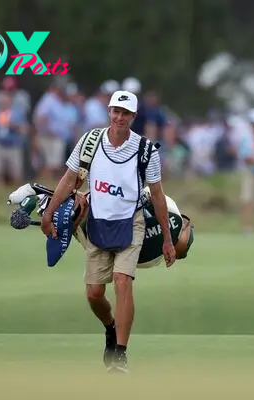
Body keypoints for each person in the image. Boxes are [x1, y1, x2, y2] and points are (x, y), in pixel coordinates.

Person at [40, 90, 176, 373]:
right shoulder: (90, 141)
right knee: (94, 293)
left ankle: (121, 354)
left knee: (123, 280)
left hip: (131, 221)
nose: (119, 117)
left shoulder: (146, 150)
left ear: (134, 117)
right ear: (109, 112)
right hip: (99, 222)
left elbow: (158, 196)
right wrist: (50, 213)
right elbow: (69, 179)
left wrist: (166, 238)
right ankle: (111, 328)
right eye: (115, 111)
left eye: (125, 113)